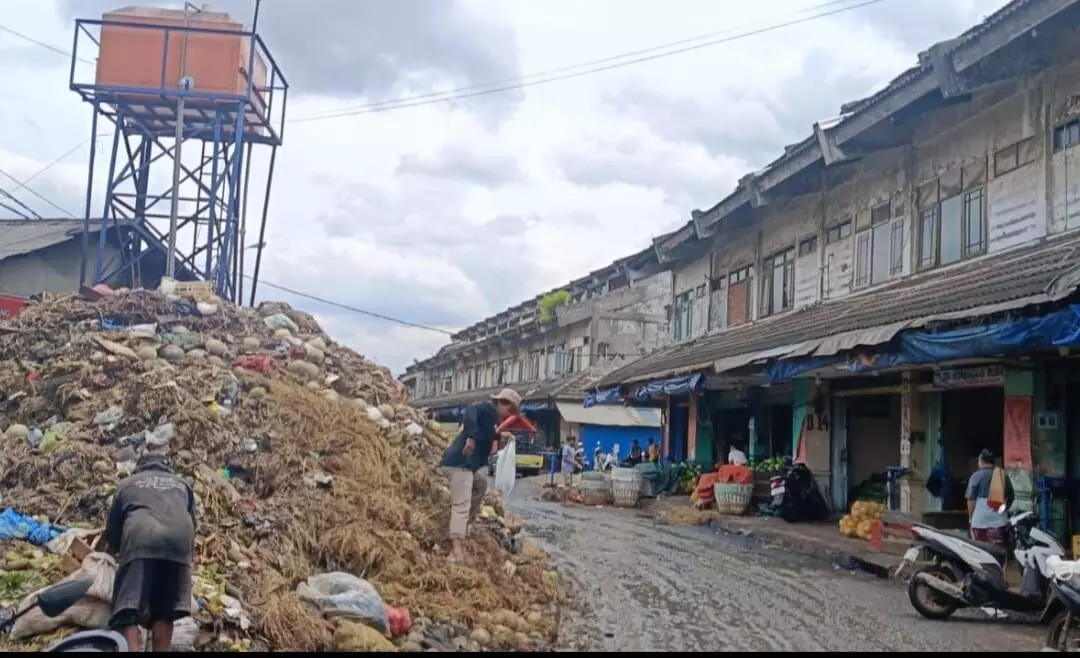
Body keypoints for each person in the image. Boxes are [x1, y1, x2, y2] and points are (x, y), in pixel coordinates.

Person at [104, 452, 197, 652]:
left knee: (128, 610)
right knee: (165, 612)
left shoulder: (127, 484)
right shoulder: (182, 485)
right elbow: (192, 523)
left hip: (141, 539)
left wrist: (114, 552)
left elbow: (112, 531)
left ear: (140, 467)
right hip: (179, 544)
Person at [440, 388, 519, 564]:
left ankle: (464, 525)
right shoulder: (488, 409)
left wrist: (499, 435)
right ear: (502, 404)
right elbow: (470, 411)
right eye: (511, 410)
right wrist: (470, 438)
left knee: (481, 485)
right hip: (459, 464)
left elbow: (485, 433)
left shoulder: (491, 420)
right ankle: (455, 550)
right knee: (462, 503)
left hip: (468, 466)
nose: (510, 415)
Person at [966, 449, 1015, 549]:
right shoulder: (1002, 476)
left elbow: (971, 500)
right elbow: (1011, 496)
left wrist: (971, 517)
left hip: (980, 523)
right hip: (999, 522)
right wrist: (1003, 509)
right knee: (1000, 551)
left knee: (980, 551)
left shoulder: (976, 476)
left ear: (981, 461)